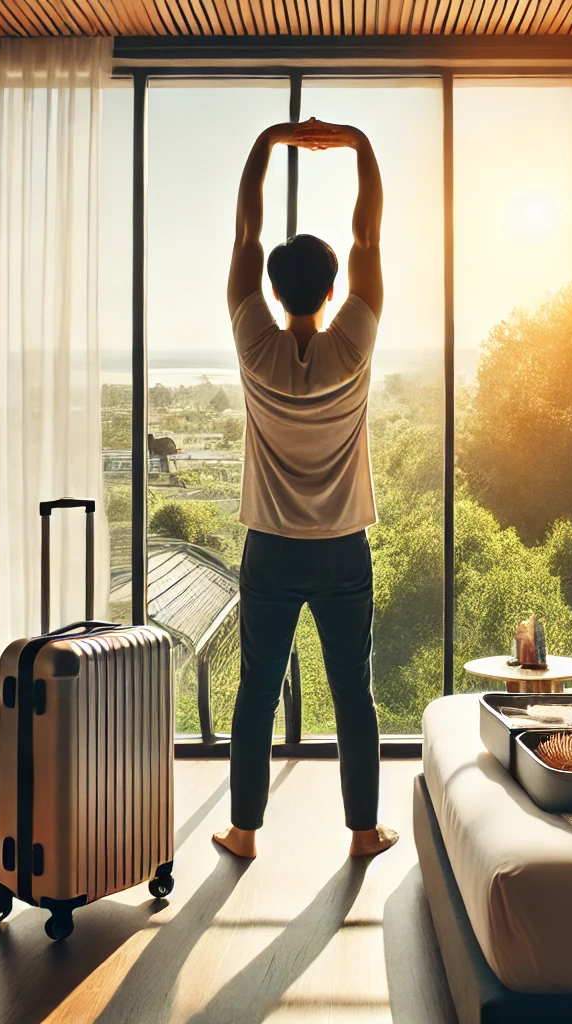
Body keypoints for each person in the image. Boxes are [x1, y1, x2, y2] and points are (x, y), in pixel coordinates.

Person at [211, 118, 398, 860]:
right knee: (353, 691)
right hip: (342, 549)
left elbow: (244, 235)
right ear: (331, 289)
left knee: (257, 690)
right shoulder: (352, 345)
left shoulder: (255, 346)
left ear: (276, 288)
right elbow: (370, 241)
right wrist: (359, 143)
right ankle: (361, 834)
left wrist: (268, 140)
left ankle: (245, 832)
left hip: (272, 551)